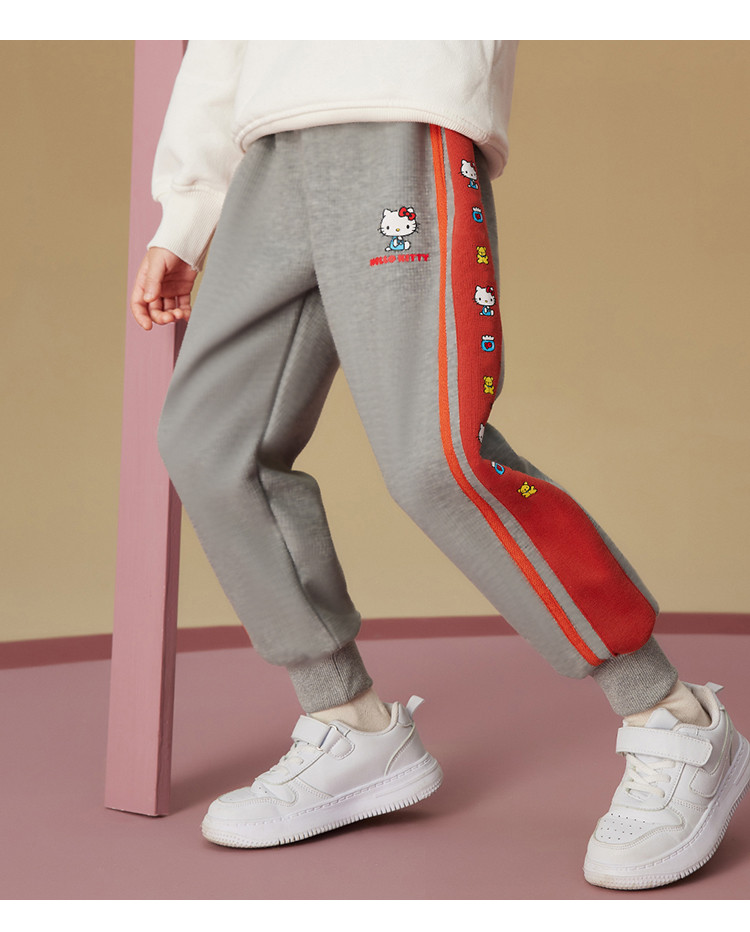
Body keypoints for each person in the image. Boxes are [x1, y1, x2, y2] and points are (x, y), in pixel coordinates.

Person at [130, 40, 749, 889]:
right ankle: (350, 723)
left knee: (437, 460)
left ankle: (674, 716)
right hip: (266, 151)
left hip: (399, 117)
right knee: (209, 443)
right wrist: (189, 208)